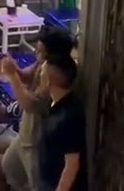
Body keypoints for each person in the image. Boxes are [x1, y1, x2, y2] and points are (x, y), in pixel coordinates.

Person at [0, 27, 77, 191]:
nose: (35, 52)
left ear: (51, 57)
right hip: (23, 136)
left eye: (40, 50)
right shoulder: (42, 64)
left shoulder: (52, 78)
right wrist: (15, 69)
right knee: (2, 166)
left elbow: (30, 104)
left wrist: (12, 76)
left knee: (36, 184)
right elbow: (28, 75)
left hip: (35, 143)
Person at [33, 55, 87, 191]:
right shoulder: (56, 104)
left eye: (42, 73)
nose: (39, 75)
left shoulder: (70, 116)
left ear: (49, 80)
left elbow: (72, 164)